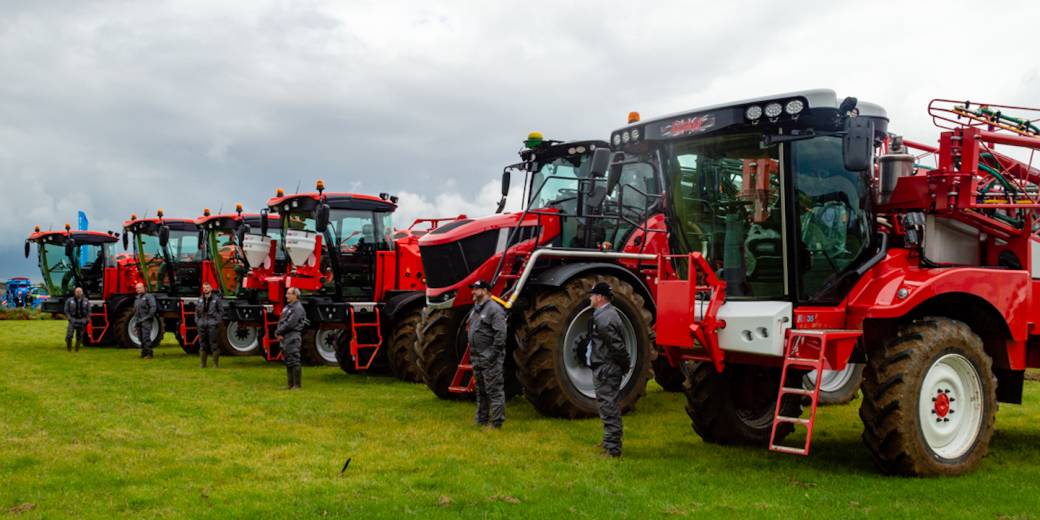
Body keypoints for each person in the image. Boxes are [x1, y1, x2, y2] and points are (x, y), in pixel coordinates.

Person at [586, 281, 630, 458]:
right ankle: (608, 441)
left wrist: (624, 364)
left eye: (592, 295)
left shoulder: (604, 318)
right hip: (606, 366)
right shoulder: (607, 314)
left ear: (599, 297)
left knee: (608, 407)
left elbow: (616, 346)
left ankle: (612, 448)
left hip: (606, 368)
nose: (590, 298)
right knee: (607, 406)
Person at [467, 280, 507, 429]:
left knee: (494, 390)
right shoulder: (476, 309)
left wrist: (493, 354)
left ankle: (497, 423)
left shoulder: (494, 310)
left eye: (476, 289)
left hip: (490, 357)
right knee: (481, 390)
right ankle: (481, 420)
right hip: (477, 357)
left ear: (484, 291)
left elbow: (500, 334)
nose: (473, 292)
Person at [275, 287, 307, 389]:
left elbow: (290, 324)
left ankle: (297, 385)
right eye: (287, 293)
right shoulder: (288, 307)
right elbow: (282, 320)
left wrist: (279, 331)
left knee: (294, 360)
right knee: (288, 360)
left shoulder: (297, 308)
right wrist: (279, 332)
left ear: (295, 295)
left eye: (289, 294)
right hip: (286, 336)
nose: (286, 296)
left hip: (293, 336)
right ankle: (290, 384)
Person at [197, 282, 223, 368]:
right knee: (202, 344)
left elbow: (221, 312)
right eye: (204, 288)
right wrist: (198, 321)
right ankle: (202, 364)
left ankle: (215, 364)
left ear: (211, 289)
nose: (205, 289)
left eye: (207, 287)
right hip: (202, 324)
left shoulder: (216, 299)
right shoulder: (200, 299)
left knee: (214, 344)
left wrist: (216, 321)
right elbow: (196, 312)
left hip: (212, 325)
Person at [133, 282, 158, 359]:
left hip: (146, 320)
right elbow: (135, 310)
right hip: (138, 320)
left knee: (145, 337)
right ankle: (143, 352)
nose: (138, 289)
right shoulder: (137, 298)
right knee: (140, 337)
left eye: (139, 288)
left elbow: (153, 307)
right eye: (137, 288)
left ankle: (149, 353)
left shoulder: (149, 297)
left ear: (144, 288)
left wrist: (149, 316)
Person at [64, 287, 90, 352]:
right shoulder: (69, 300)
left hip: (82, 320)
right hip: (72, 320)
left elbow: (89, 311)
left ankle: (76, 350)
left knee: (79, 336)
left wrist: (86, 319)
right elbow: (66, 310)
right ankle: (69, 349)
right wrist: (69, 318)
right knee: (69, 335)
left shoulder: (86, 301)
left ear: (82, 292)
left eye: (80, 292)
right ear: (75, 292)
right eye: (77, 292)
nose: (78, 293)